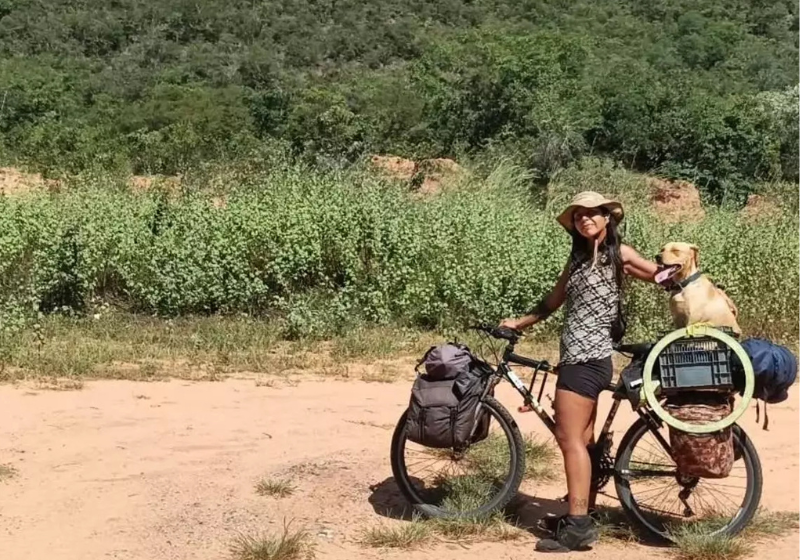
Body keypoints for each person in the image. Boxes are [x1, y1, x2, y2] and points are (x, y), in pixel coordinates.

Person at [499, 191, 659, 553]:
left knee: (568, 440)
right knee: (583, 444)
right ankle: (580, 513)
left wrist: (688, 278)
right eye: (578, 215)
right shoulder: (577, 260)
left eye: (593, 213)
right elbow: (553, 302)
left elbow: (660, 274)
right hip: (576, 359)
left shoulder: (621, 254)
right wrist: (518, 323)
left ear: (607, 218)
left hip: (588, 361)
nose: (585, 219)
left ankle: (578, 530)